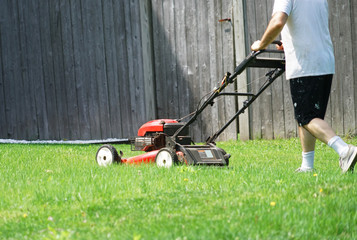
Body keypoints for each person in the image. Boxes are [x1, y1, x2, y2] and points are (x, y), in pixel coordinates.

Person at [250, 0, 357, 173]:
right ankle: (307, 166)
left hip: (305, 64)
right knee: (310, 117)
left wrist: (260, 44)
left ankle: (345, 150)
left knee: (306, 118)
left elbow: (278, 21)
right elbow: (307, 25)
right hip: (324, 61)